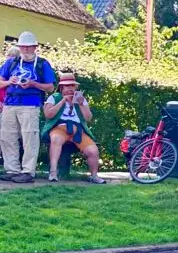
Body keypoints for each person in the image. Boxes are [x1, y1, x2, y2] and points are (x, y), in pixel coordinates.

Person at [0, 31, 56, 182]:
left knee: (29, 137)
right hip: (10, 103)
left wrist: (32, 84)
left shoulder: (42, 64)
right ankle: (12, 170)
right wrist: (9, 82)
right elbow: (0, 81)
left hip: (31, 104)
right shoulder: (10, 63)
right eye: (23, 47)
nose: (25, 50)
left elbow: (50, 87)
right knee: (7, 136)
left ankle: (28, 171)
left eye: (28, 47)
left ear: (35, 47)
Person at [41, 72, 106, 183]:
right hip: (59, 128)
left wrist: (81, 104)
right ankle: (53, 172)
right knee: (56, 139)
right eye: (67, 85)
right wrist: (63, 101)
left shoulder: (80, 98)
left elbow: (88, 118)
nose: (70, 88)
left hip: (77, 131)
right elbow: (48, 114)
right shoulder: (54, 97)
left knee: (93, 150)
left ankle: (94, 176)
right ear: (61, 87)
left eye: (72, 85)